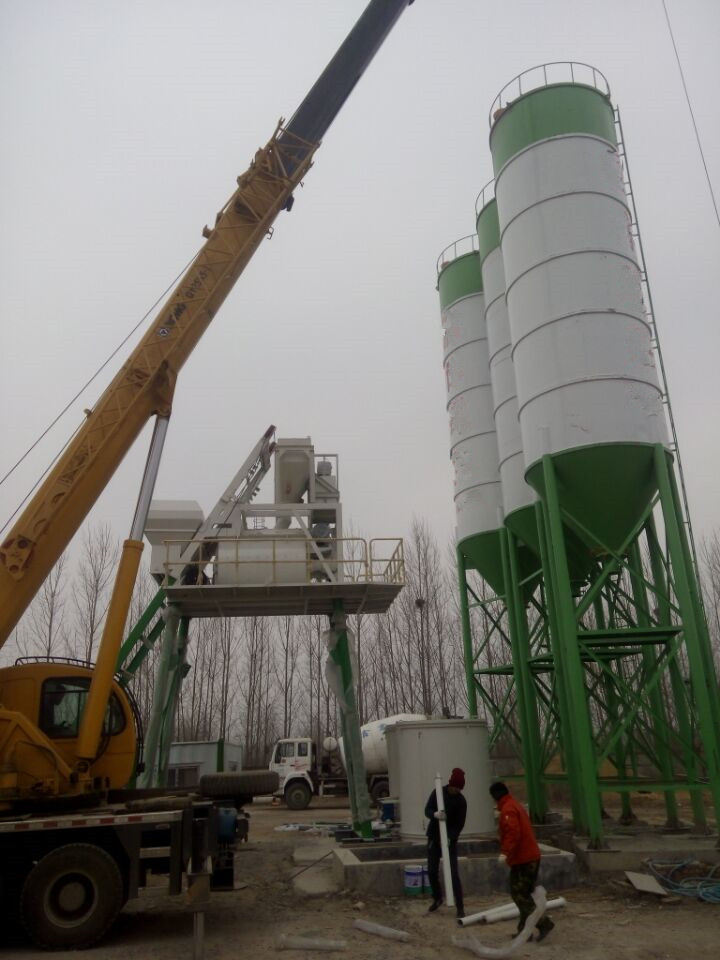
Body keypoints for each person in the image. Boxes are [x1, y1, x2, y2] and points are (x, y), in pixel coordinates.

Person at [489, 781, 554, 942]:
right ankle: (525, 931)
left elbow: (513, 832)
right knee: (523, 893)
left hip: (524, 859)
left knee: (519, 894)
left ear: (495, 796)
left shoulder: (508, 809)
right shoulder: (514, 805)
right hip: (528, 857)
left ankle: (543, 923)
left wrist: (505, 853)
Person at [425, 767, 466, 918]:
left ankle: (460, 907)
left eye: (459, 789)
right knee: (431, 871)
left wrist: (451, 837)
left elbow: (460, 824)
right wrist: (435, 814)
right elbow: (427, 810)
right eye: (455, 787)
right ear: (450, 784)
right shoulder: (438, 793)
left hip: (450, 841)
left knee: (453, 874)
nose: (456, 790)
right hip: (434, 838)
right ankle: (437, 898)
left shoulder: (461, 801)